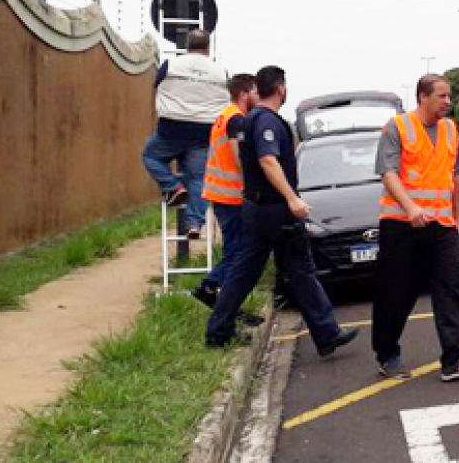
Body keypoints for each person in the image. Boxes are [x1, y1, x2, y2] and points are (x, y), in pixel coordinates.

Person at [205, 66, 358, 355]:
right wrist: (292, 198)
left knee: (248, 271)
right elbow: (268, 161)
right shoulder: (267, 122)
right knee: (299, 269)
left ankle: (219, 330)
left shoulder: (248, 119)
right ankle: (326, 333)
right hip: (275, 211)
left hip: (257, 208)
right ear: (280, 88)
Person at [371, 74, 459, 382]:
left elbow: (455, 178)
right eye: (442, 96)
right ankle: (387, 354)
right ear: (423, 97)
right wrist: (411, 207)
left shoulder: (451, 130)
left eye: (449, 96)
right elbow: (388, 173)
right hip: (402, 226)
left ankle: (455, 358)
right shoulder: (397, 127)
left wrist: (455, 218)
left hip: (442, 227)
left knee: (454, 287)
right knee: (396, 293)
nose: (448, 102)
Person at [142, 29, 228, 239]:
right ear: (208, 47)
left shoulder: (171, 65)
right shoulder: (220, 71)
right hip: (204, 130)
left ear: (187, 46)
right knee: (199, 177)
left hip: (172, 127)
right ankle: (195, 224)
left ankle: (173, 187)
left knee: (151, 156)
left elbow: (156, 85)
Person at [192, 74, 261, 324]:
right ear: (244, 93)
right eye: (254, 91)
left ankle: (226, 305)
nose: (257, 95)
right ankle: (211, 288)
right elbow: (240, 157)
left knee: (236, 250)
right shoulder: (236, 120)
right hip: (231, 195)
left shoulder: (225, 116)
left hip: (222, 194)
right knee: (238, 252)